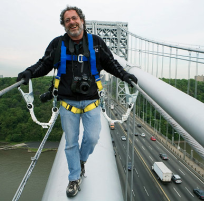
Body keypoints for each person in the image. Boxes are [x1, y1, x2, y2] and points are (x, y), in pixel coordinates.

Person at [16, 6, 137, 197]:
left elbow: (111, 63)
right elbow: (44, 63)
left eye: (74, 18)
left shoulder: (96, 43)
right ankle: (74, 178)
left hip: (91, 102)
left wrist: (125, 76)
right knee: (71, 142)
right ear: (64, 25)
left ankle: (81, 161)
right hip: (67, 104)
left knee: (92, 137)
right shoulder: (57, 44)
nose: (72, 22)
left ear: (82, 20)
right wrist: (28, 73)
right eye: (67, 20)